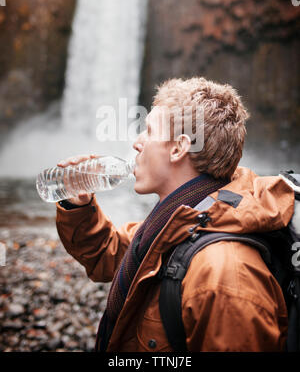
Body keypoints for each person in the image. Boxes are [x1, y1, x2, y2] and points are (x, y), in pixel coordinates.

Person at [56, 77, 295, 352]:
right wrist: (78, 206)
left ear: (179, 148)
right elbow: (107, 255)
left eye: (148, 131)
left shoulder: (224, 275)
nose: (137, 143)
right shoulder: (183, 219)